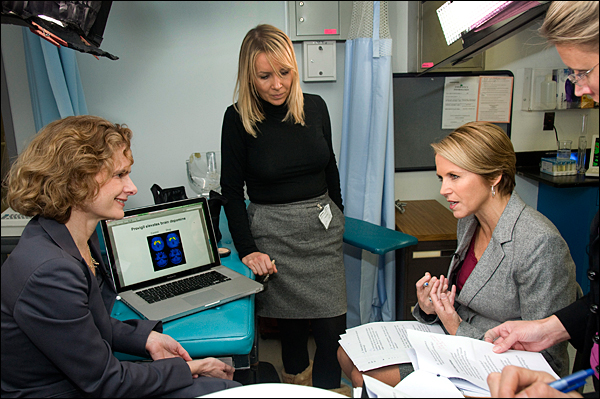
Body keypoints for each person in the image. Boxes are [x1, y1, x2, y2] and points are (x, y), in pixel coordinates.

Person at [1, 115, 240, 397]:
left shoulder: (66, 235)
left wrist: (145, 338)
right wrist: (189, 369)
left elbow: (85, 323)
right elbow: (107, 382)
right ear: (76, 179)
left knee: (222, 386)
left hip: (86, 381)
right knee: (221, 388)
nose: (132, 187)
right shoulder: (50, 270)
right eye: (119, 175)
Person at [338, 121, 577, 388]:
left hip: (502, 368)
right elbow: (464, 298)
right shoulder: (470, 220)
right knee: (346, 353)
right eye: (442, 178)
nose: (443, 190)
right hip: (458, 341)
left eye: (454, 177)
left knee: (367, 376)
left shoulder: (539, 244)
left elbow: (548, 360)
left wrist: (455, 324)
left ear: (495, 176)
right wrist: (431, 306)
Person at [220, 24, 347, 391]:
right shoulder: (237, 118)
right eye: (264, 76)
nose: (277, 84)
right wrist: (248, 249)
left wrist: (337, 215)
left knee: (332, 333)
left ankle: (328, 392)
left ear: (295, 69)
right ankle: (295, 386)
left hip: (321, 236)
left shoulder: (316, 107)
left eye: (284, 73)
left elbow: (330, 167)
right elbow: (231, 190)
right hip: (273, 237)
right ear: (249, 75)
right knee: (290, 334)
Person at [484, 2, 599, 397]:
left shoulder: (537, 241)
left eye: (584, 71)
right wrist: (549, 328)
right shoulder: (470, 226)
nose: (579, 88)